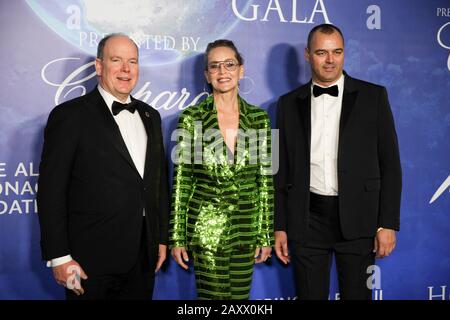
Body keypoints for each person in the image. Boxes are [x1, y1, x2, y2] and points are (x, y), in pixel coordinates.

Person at [37, 33, 169, 300]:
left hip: (142, 257)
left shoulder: (150, 116)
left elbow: (158, 184)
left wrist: (161, 238)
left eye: (132, 61)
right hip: (88, 263)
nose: (125, 69)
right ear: (99, 66)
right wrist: (59, 257)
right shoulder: (70, 116)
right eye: (116, 60)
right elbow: (51, 192)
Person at [274, 24, 402, 300]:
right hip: (306, 220)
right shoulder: (286, 104)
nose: (330, 60)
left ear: (344, 53)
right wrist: (280, 225)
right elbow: (279, 169)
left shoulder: (373, 96)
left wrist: (387, 223)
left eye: (337, 52)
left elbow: (390, 164)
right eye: (322, 52)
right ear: (308, 55)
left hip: (359, 218)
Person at [169, 39, 274, 300]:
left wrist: (265, 234)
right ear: (207, 75)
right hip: (206, 229)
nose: (222, 72)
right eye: (214, 66)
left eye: (229, 64)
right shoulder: (191, 118)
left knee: (239, 301)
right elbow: (182, 181)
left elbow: (265, 181)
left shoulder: (260, 118)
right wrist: (177, 237)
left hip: (247, 229)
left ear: (241, 69)